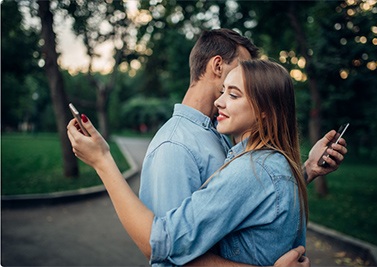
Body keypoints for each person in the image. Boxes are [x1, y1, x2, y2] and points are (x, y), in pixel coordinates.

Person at [67, 59, 310, 266]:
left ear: (265, 112)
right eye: (223, 90)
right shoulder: (274, 164)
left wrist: (102, 161)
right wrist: (307, 171)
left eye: (233, 94)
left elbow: (162, 242)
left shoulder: (253, 169)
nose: (219, 101)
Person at [137, 29, 347, 265]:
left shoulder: (222, 132)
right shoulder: (175, 145)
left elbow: (250, 194)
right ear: (218, 66)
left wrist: (307, 170)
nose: (250, 76)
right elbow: (168, 253)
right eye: (244, 66)